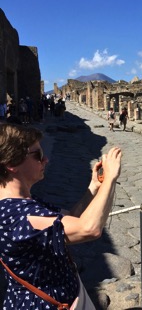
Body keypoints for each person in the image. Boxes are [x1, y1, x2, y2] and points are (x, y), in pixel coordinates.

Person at [0, 123, 121, 309]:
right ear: (11, 164)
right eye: (37, 155)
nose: (45, 159)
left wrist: (94, 187)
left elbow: (71, 218)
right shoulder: (18, 215)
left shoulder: (24, 202)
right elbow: (88, 228)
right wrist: (110, 179)